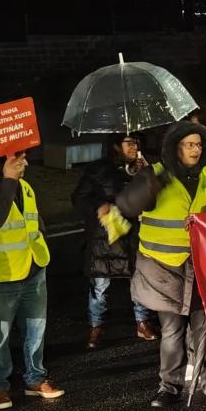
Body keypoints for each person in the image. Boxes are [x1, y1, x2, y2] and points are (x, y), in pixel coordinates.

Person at [116, 120, 206, 408]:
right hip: (164, 269)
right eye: (189, 144)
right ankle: (169, 387)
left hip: (202, 266)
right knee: (171, 331)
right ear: (175, 147)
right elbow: (128, 206)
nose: (196, 149)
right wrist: (150, 185)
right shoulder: (154, 174)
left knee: (202, 329)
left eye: (199, 144)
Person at [0, 149, 63, 409]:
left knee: (36, 330)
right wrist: (8, 180)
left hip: (33, 269)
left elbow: (35, 222)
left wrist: (42, 248)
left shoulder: (24, 186)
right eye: (17, 158)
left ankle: (35, 379)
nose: (24, 163)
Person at [72, 134, 157, 349]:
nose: (133, 146)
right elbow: (79, 197)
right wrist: (98, 206)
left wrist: (147, 175)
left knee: (139, 281)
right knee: (100, 286)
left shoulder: (143, 168)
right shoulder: (98, 169)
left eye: (136, 142)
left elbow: (154, 202)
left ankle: (142, 322)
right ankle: (95, 326)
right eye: (128, 142)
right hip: (105, 237)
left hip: (135, 234)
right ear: (116, 146)